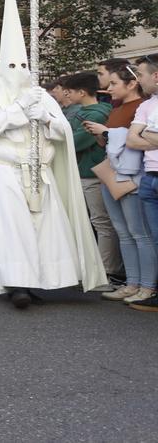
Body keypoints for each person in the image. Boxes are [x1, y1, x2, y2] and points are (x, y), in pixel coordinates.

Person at [0, 0, 105, 309]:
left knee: (46, 229)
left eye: (24, 65)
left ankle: (45, 280)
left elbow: (61, 130)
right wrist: (18, 110)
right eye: (13, 65)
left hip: (39, 173)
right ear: (2, 68)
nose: (19, 70)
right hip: (6, 172)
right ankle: (18, 284)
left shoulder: (41, 96)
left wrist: (44, 116)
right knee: (13, 229)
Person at [84, 64, 153, 303]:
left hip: (133, 176)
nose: (108, 88)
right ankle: (131, 283)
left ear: (131, 83)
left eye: (114, 83)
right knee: (123, 233)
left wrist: (107, 132)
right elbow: (112, 144)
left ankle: (147, 286)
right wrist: (102, 135)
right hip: (113, 175)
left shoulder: (142, 107)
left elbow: (138, 141)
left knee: (138, 233)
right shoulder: (118, 109)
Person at [63, 71, 119, 280]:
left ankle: (107, 270)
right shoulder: (88, 112)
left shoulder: (94, 114)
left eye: (70, 92)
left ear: (82, 92)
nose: (67, 95)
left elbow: (74, 141)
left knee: (101, 222)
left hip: (92, 172)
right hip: (85, 171)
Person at [124, 56, 158, 311]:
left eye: (141, 74)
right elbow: (131, 140)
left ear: (156, 76)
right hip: (149, 178)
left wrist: (145, 133)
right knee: (155, 238)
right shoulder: (148, 105)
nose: (138, 80)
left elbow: (140, 135)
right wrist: (150, 135)